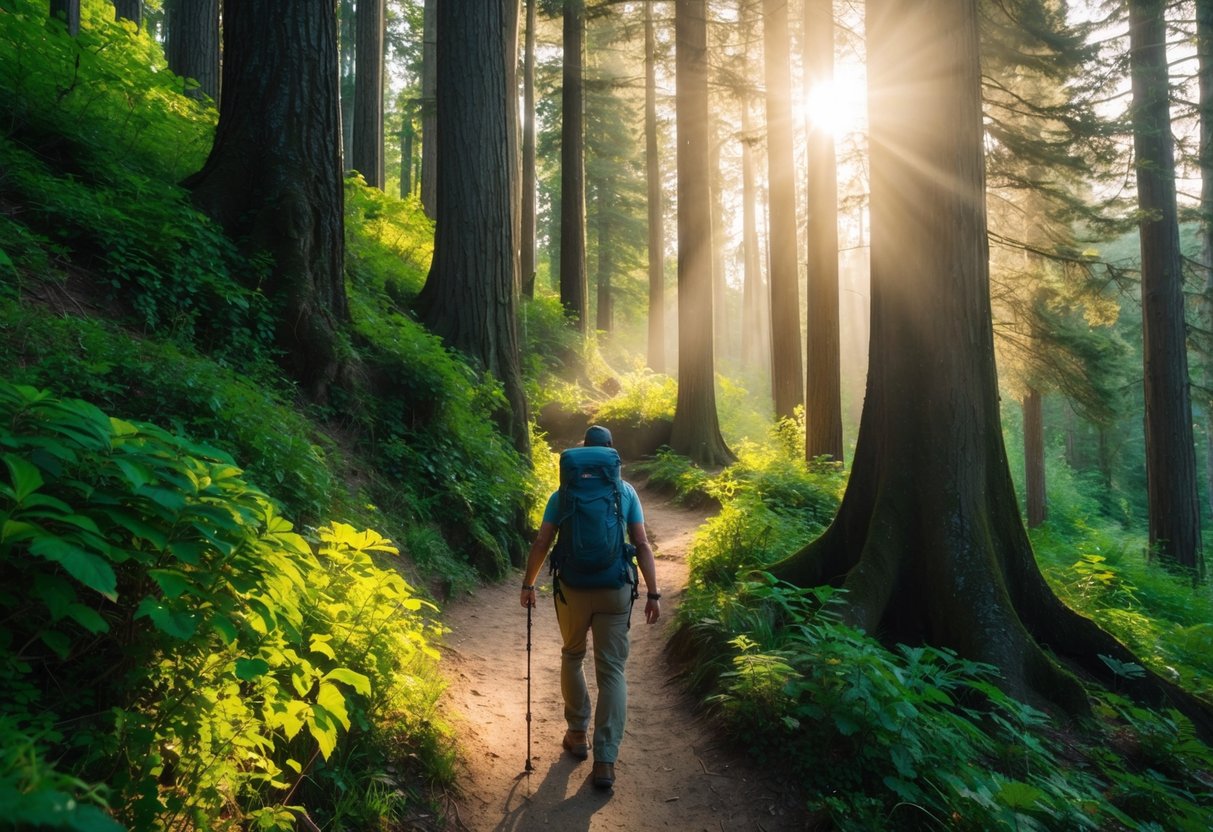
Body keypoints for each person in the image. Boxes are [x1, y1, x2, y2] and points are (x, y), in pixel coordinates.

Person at [519, 425, 661, 790]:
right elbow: (642, 544)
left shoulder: (562, 494)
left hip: (573, 588)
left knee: (572, 654)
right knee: (612, 671)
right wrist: (653, 593)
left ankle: (577, 733)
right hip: (614, 589)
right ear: (612, 455)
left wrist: (528, 583)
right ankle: (606, 761)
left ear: (583, 453)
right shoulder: (625, 491)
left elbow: (542, 542)